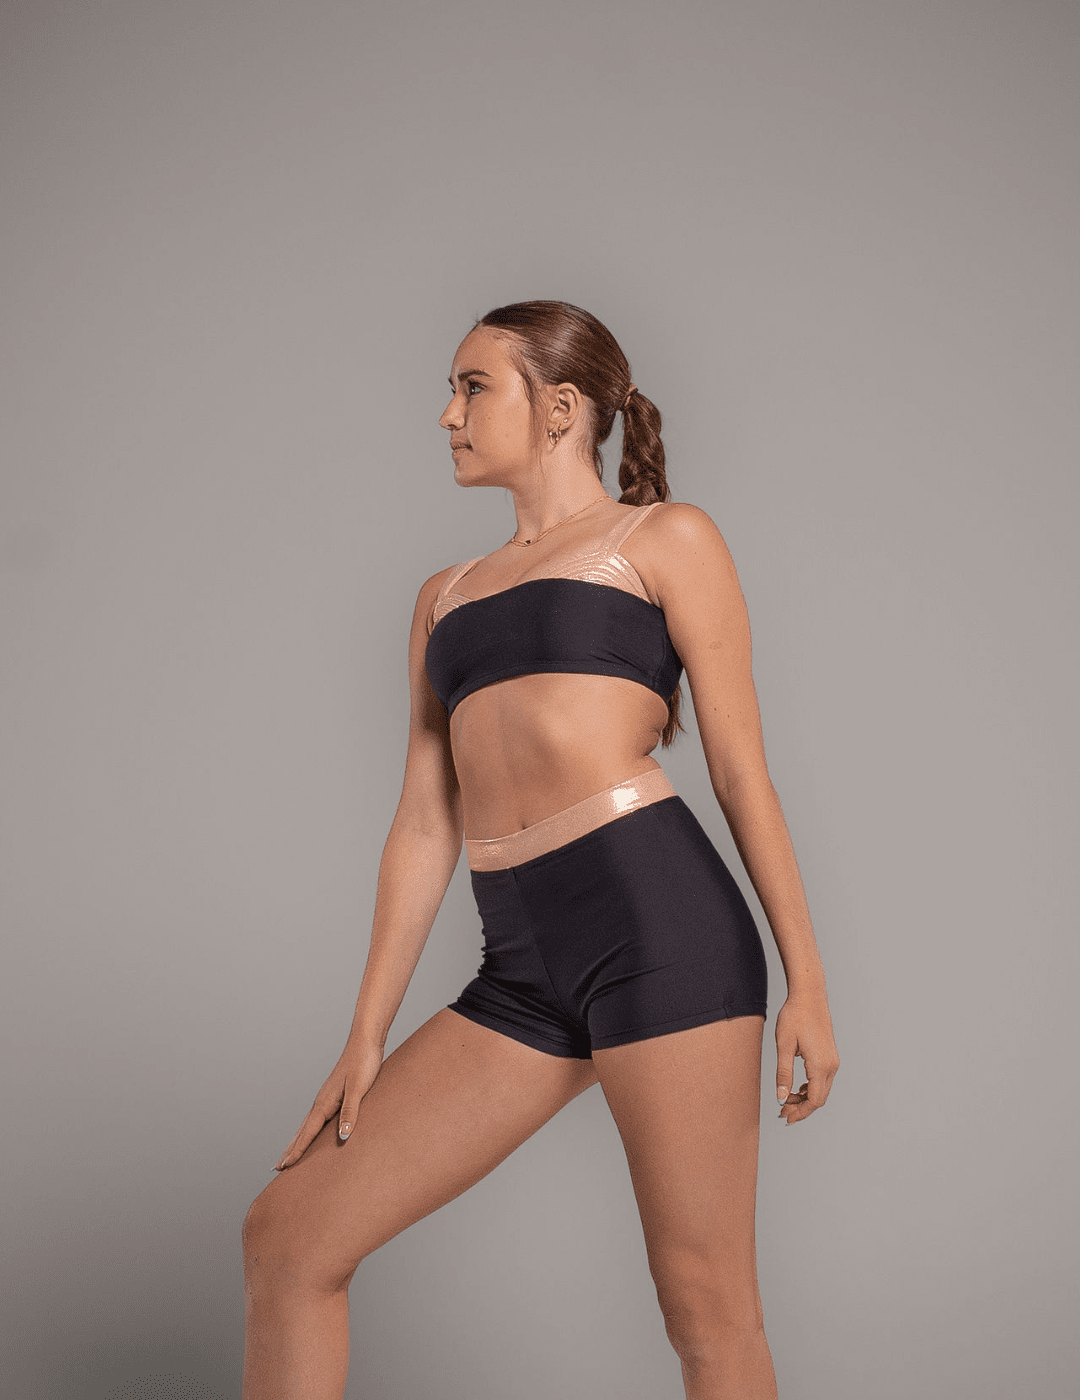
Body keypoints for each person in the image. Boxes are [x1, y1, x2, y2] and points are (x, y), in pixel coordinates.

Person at [241, 300, 840, 1400]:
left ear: (560, 407)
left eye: (472, 386)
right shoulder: (444, 598)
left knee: (706, 1305)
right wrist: (367, 1031)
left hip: (664, 939)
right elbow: (425, 820)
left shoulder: (661, 540)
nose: (447, 414)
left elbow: (742, 771)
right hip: (520, 967)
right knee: (289, 1235)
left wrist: (808, 979)